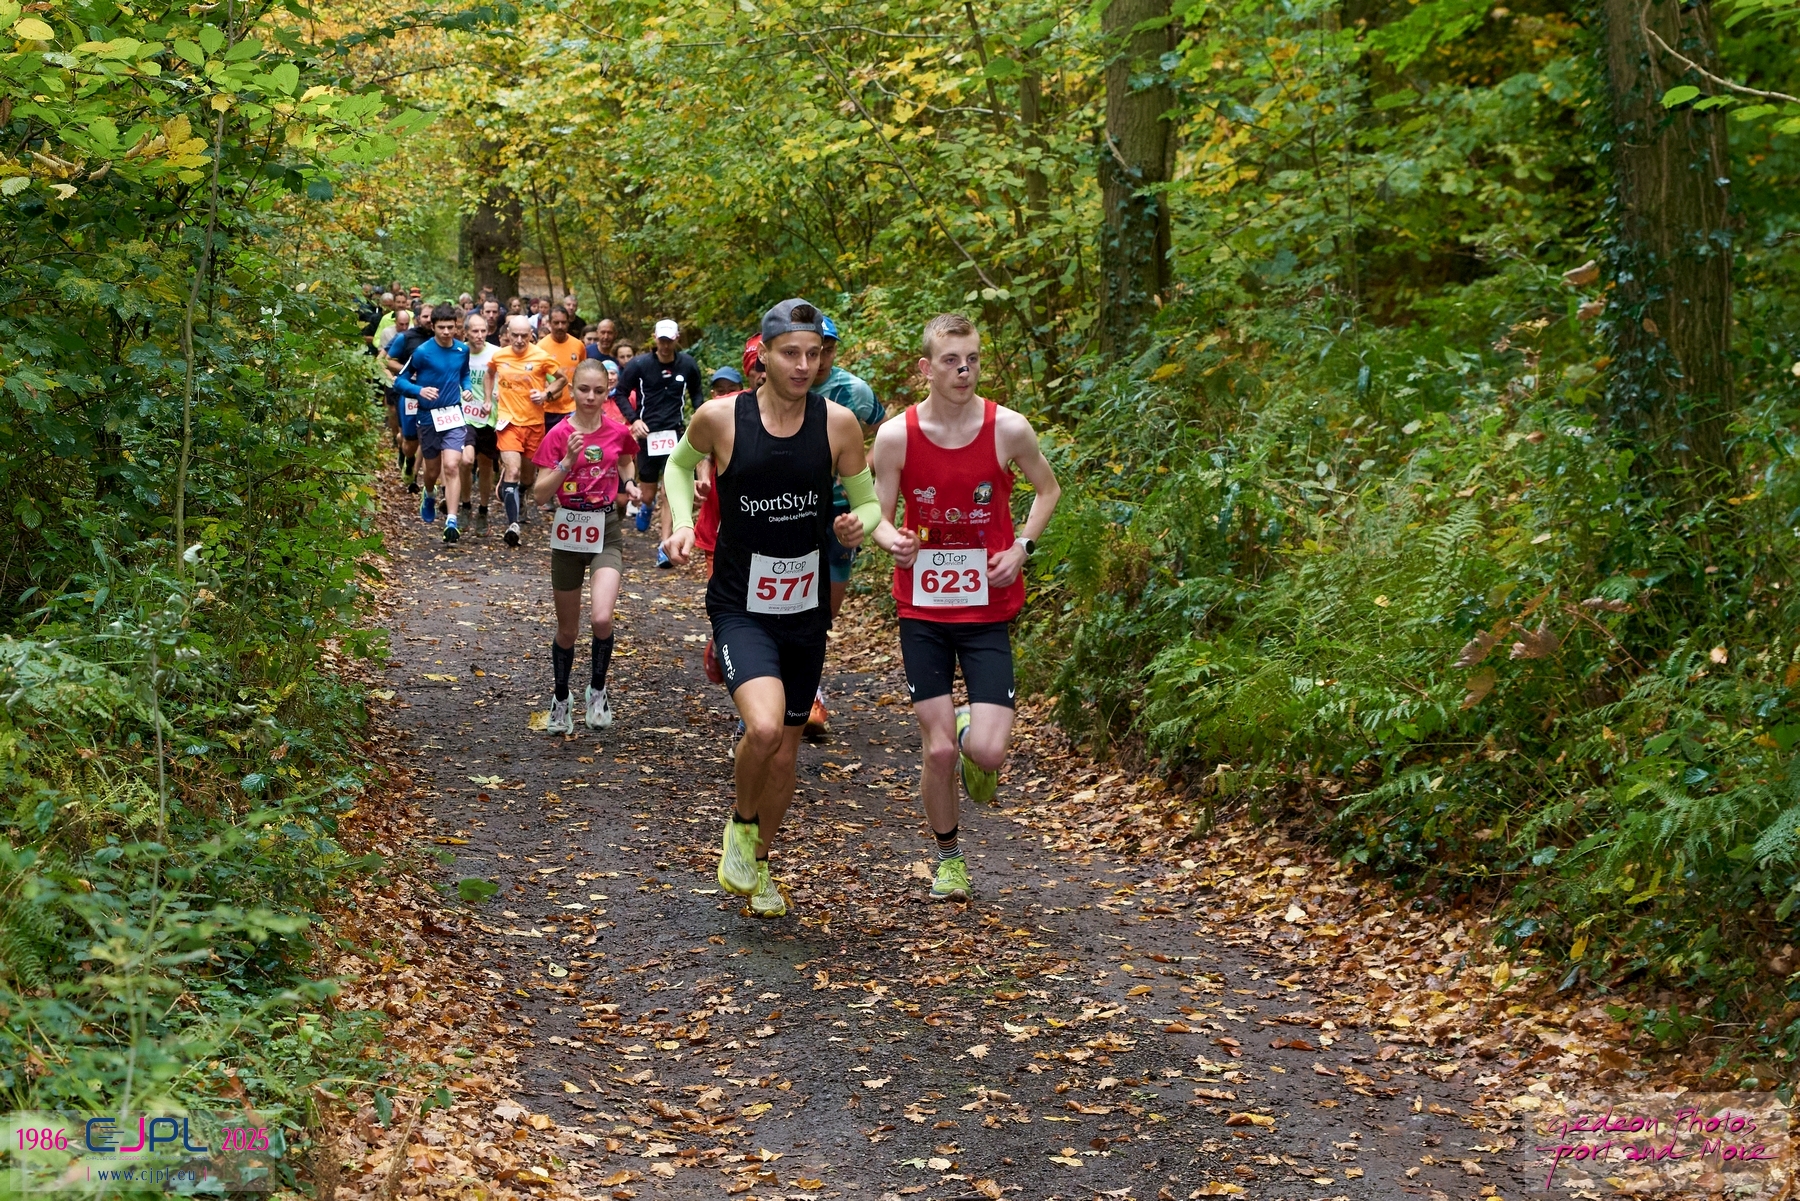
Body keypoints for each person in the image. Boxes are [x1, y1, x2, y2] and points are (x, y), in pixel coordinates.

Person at [661, 299, 882, 918]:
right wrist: (682, 523)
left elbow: (868, 503)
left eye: (814, 354)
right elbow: (678, 470)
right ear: (763, 354)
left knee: (786, 747)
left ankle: (759, 863)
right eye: (792, 353)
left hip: (805, 607)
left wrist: (856, 525)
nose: (804, 365)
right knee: (761, 728)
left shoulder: (838, 425)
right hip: (741, 604)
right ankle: (739, 824)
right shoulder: (721, 418)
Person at [868, 313, 1060, 902]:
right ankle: (948, 857)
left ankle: (977, 724)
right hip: (922, 609)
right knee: (941, 748)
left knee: (986, 750)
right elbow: (877, 512)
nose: (964, 370)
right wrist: (892, 540)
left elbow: (1048, 490)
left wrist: (1021, 548)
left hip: (987, 607)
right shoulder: (897, 436)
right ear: (925, 369)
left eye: (972, 358)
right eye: (951, 360)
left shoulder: (1009, 429)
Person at [533, 359, 642, 734]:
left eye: (599, 390)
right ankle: (561, 698)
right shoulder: (558, 434)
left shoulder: (617, 431)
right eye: (584, 390)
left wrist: (630, 485)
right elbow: (539, 494)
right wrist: (567, 462)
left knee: (601, 618)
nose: (592, 397)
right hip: (567, 531)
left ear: (608, 390)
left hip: (606, 528)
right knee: (568, 631)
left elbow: (627, 462)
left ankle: (597, 690)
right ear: (572, 391)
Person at [806, 313, 887, 737]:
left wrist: (864, 465)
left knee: (827, 610)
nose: (819, 359)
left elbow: (884, 427)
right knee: (787, 600)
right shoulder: (785, 384)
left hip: (841, 511)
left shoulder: (853, 391)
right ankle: (798, 692)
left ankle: (806, 687)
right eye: (815, 345)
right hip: (791, 510)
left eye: (828, 348)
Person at [616, 320, 703, 567]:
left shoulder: (687, 364)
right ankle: (645, 505)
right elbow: (620, 392)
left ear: (677, 338)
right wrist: (634, 420)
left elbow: (697, 392)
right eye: (661, 340)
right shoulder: (640, 364)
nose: (665, 346)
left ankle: (664, 545)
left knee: (670, 490)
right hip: (648, 436)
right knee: (648, 492)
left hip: (675, 433)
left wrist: (699, 415)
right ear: (655, 338)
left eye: (669, 340)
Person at [393, 304, 474, 544]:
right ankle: (429, 493)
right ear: (433, 326)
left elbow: (464, 374)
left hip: (453, 416)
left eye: (451, 327)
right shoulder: (422, 352)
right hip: (428, 417)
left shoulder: (462, 350)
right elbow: (400, 382)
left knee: (452, 465)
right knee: (432, 471)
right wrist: (420, 390)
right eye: (442, 328)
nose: (447, 332)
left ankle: (451, 520)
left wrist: (467, 389)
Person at [489, 315, 567, 546]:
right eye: (515, 335)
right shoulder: (499, 355)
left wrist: (546, 394)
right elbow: (489, 373)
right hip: (508, 422)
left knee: (527, 477)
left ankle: (517, 491)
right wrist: (488, 397)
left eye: (524, 335)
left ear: (531, 335)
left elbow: (562, 380)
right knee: (513, 471)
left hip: (534, 423)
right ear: (507, 335)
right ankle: (513, 525)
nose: (520, 340)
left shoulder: (541, 357)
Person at [461, 313, 501, 533]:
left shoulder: (496, 354)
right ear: (466, 331)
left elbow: (504, 378)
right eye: (474, 331)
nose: (479, 335)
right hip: (465, 416)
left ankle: (483, 510)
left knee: (485, 466)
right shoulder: (459, 352)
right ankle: (466, 504)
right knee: (466, 462)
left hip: (489, 417)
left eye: (483, 331)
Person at [385, 310, 431, 491]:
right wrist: (408, 370)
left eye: (431, 316)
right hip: (410, 393)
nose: (428, 320)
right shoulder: (406, 337)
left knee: (431, 439)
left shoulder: (442, 338)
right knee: (410, 442)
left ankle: (432, 486)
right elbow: (388, 361)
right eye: (425, 316)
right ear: (417, 318)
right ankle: (409, 459)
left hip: (435, 395)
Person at [538, 306, 585, 433]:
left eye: (563, 322)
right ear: (549, 323)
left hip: (573, 407)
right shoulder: (540, 348)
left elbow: (583, 374)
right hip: (549, 408)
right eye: (556, 322)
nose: (560, 326)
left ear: (568, 323)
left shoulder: (578, 346)